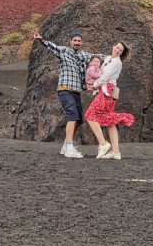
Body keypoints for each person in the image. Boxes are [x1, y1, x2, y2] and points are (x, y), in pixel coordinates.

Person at [32, 30, 102, 158]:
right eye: (74, 40)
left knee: (79, 119)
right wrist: (41, 39)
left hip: (76, 91)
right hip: (65, 89)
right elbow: (52, 46)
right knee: (73, 116)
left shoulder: (84, 55)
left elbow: (98, 57)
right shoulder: (64, 51)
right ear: (71, 41)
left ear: (82, 42)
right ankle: (69, 146)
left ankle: (65, 145)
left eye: (79, 41)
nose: (77, 43)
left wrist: (115, 56)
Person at [85, 41, 135, 160]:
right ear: (113, 46)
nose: (117, 50)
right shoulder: (107, 58)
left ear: (121, 53)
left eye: (120, 50)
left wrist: (94, 86)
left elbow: (105, 76)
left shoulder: (117, 62)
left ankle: (103, 144)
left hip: (108, 90)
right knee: (110, 121)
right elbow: (99, 70)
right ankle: (116, 152)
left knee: (89, 115)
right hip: (106, 91)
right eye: (117, 47)